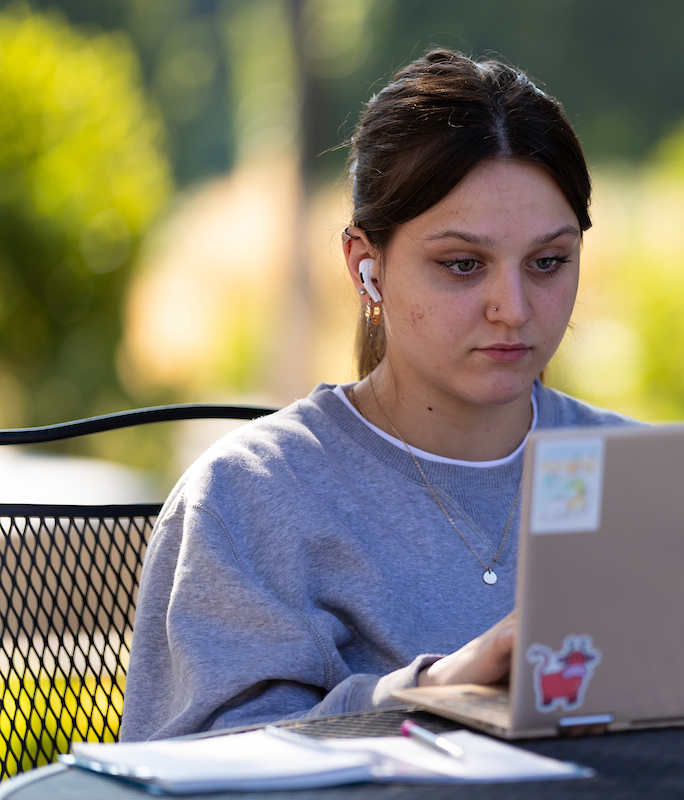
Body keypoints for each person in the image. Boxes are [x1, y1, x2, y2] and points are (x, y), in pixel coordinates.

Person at [120, 49, 635, 742]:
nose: (512, 308)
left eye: (548, 263)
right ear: (368, 268)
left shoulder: (641, 475)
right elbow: (199, 765)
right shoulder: (253, 495)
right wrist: (429, 692)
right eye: (462, 264)